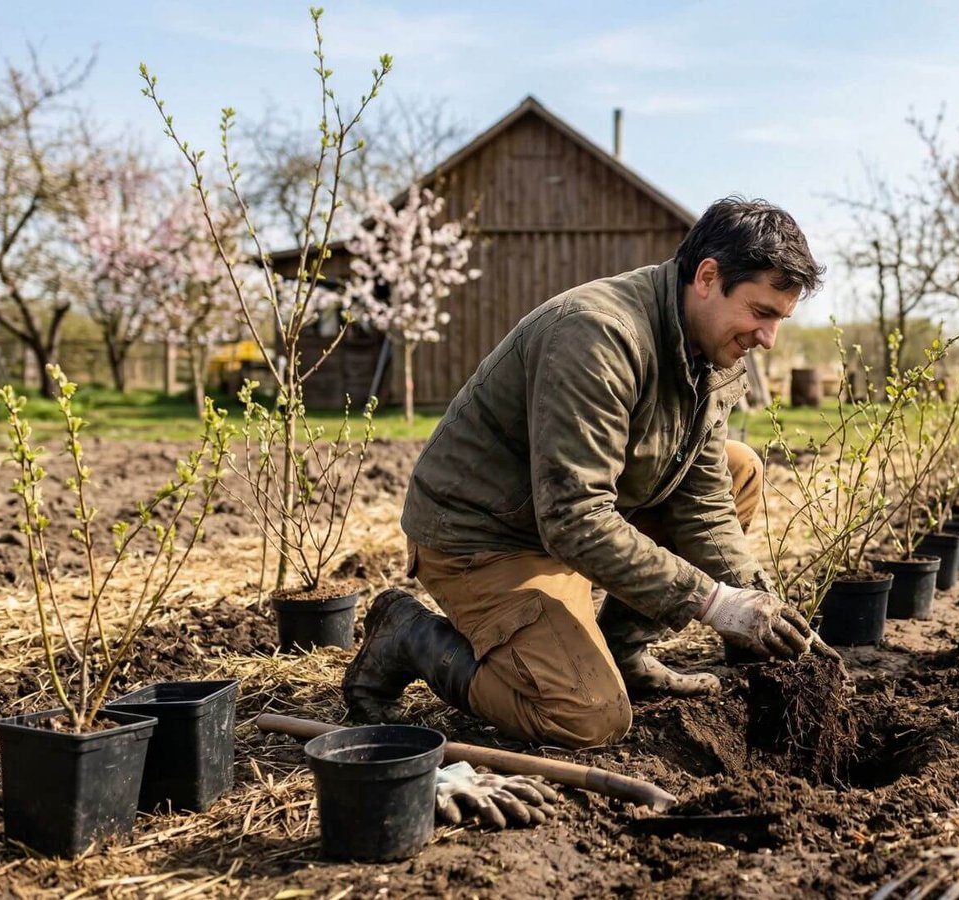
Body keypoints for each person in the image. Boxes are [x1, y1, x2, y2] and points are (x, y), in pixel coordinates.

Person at [343, 196, 826, 751]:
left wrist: (762, 604)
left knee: (739, 467)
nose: (768, 339)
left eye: (780, 320)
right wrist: (713, 602)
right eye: (761, 313)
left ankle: (623, 649)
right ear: (708, 277)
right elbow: (573, 520)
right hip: (485, 535)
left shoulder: (711, 349)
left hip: (566, 518)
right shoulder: (598, 335)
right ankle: (410, 636)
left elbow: (704, 503)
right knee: (587, 717)